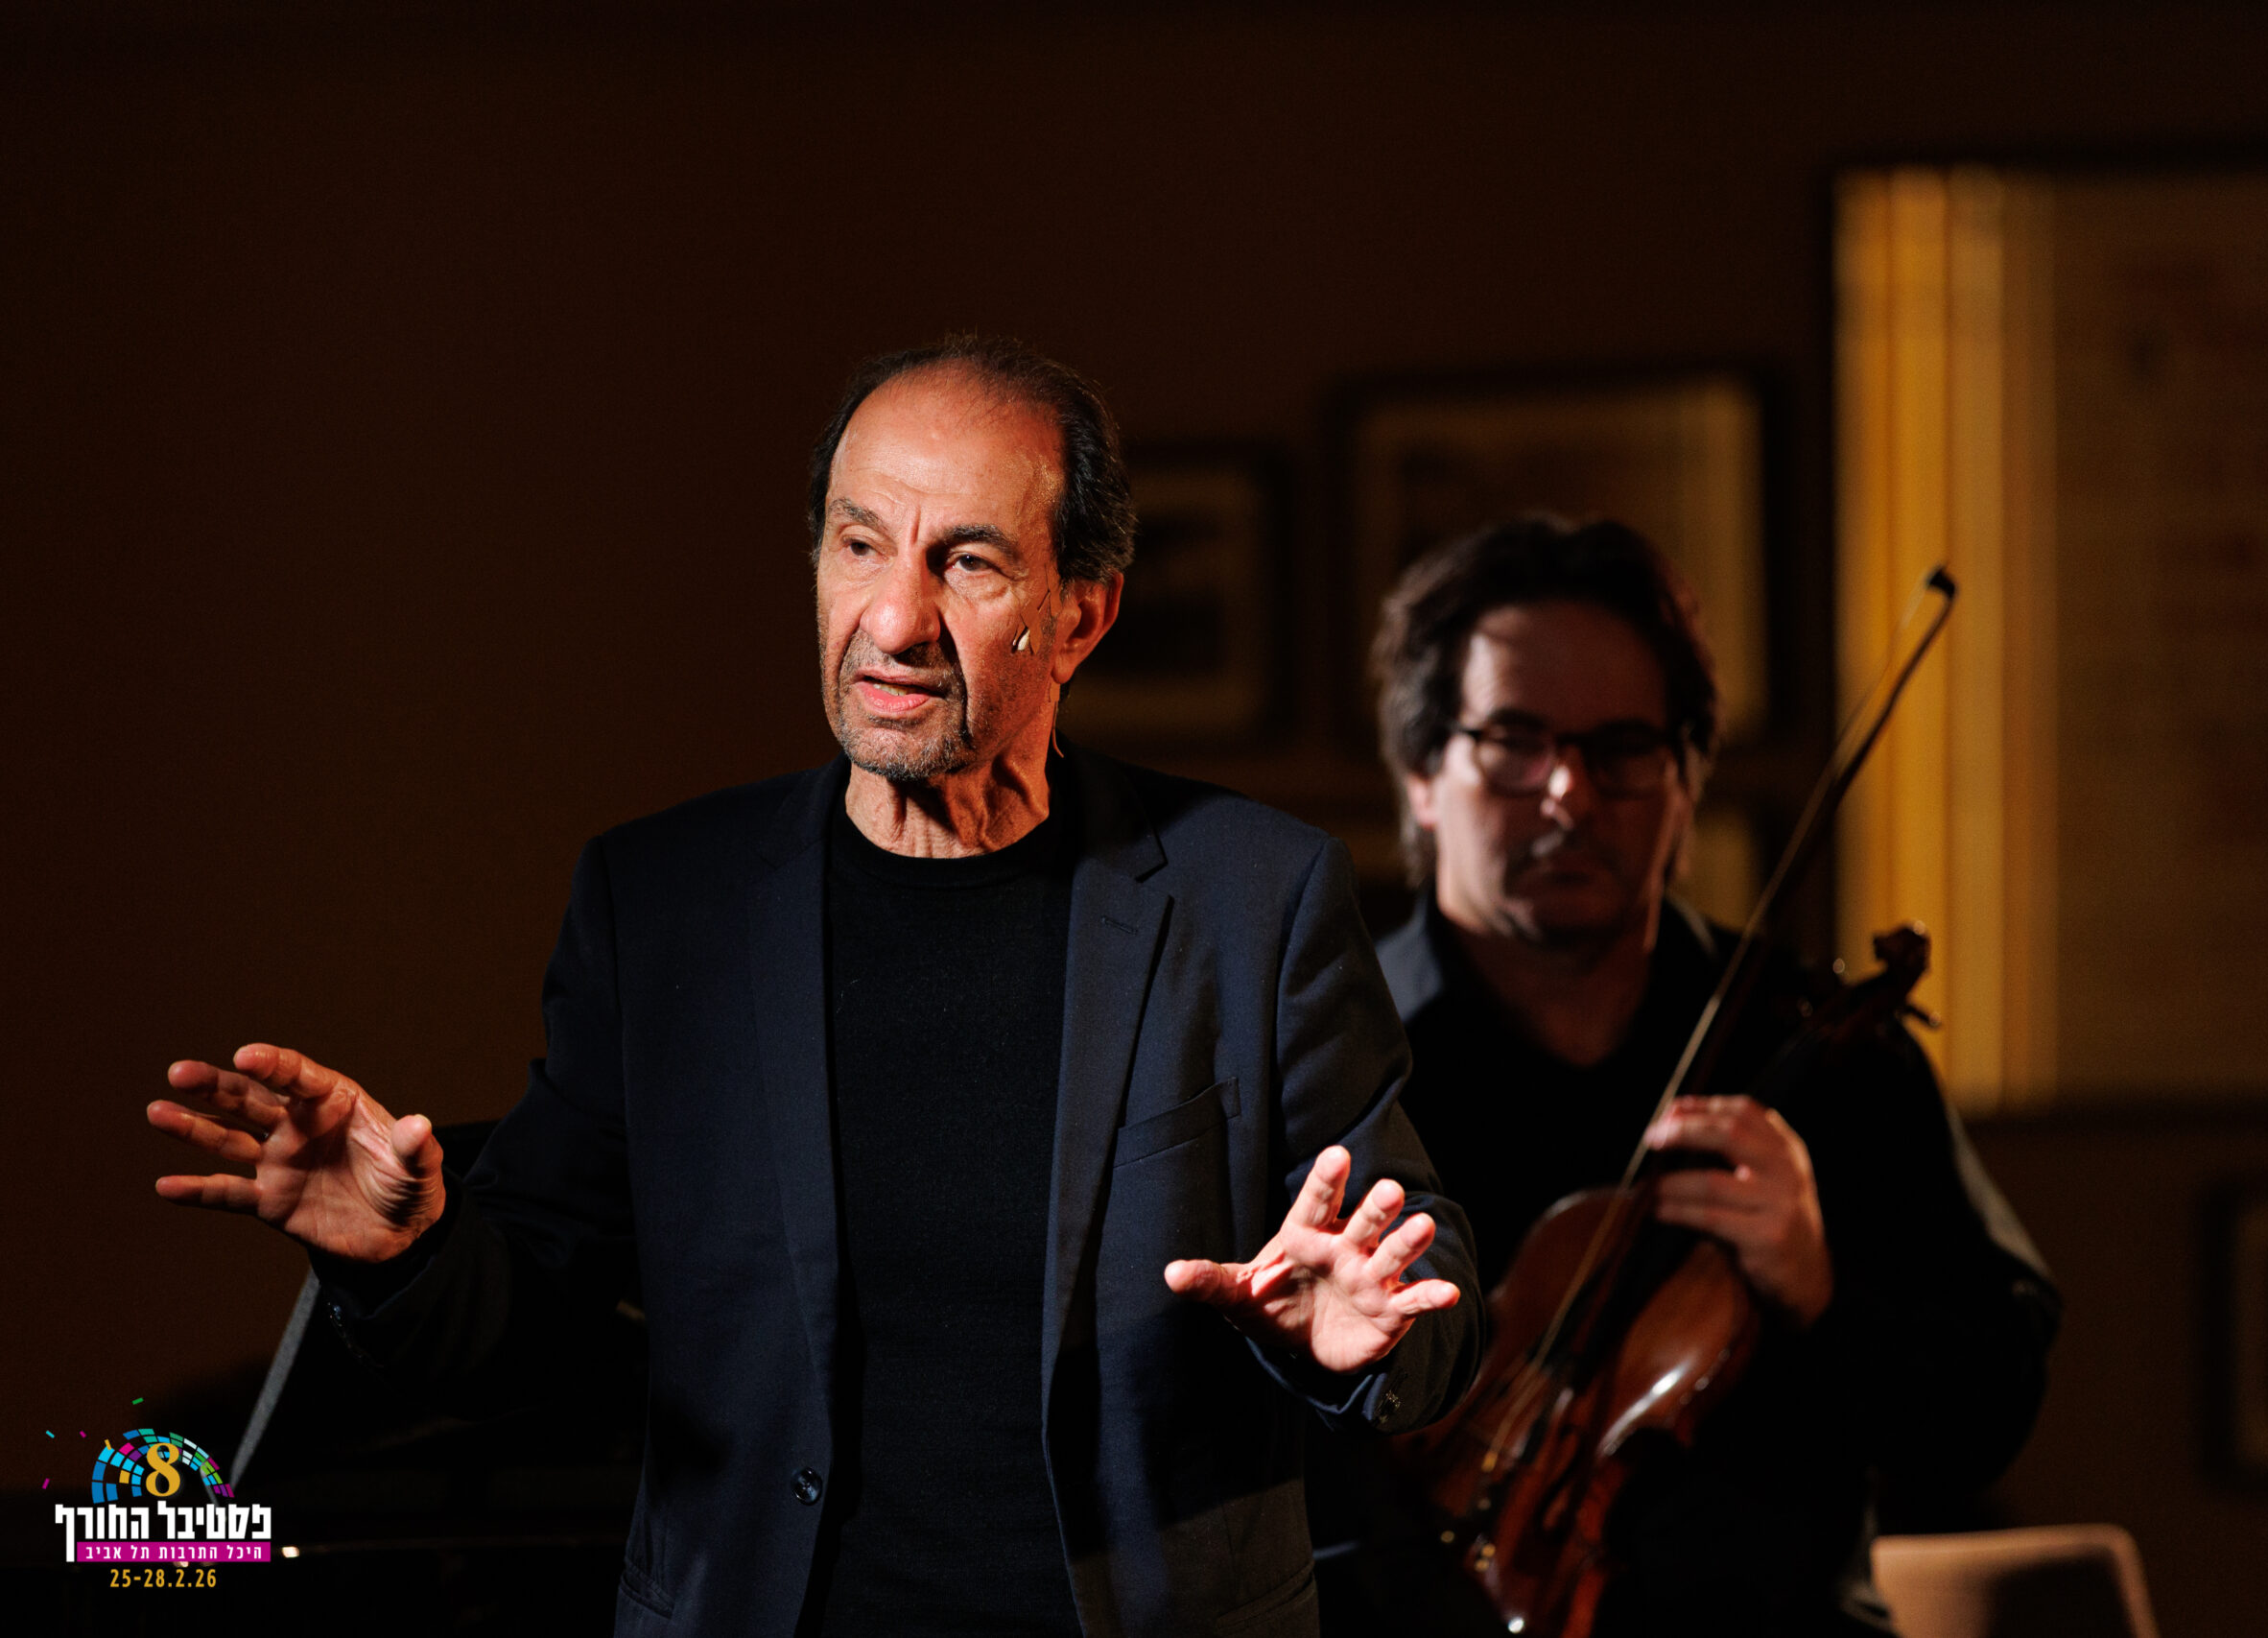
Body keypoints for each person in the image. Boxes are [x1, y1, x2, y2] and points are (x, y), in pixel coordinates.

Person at [143, 337, 1484, 1638]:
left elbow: (1417, 1267)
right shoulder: (662, 902)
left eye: (966, 561)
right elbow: (531, 1330)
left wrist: (1368, 1331)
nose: (893, 620)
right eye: (859, 545)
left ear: (1081, 613)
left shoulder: (1253, 895)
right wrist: (403, 1252)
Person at [1309, 514, 2061, 1636]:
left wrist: (1817, 1289)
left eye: (1621, 750)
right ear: (1423, 775)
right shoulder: (1309, 1062)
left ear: (1685, 781)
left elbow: (1981, 1421)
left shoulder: (1824, 1059)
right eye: (1513, 742)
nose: (1568, 795)